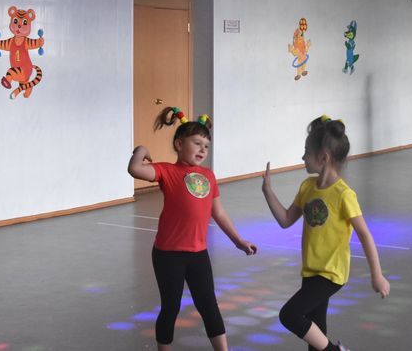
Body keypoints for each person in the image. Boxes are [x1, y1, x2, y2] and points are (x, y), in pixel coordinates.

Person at [127, 106, 258, 351]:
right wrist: (141, 150)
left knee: (209, 305)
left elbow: (218, 212)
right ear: (179, 144)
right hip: (168, 254)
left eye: (206, 146)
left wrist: (238, 240)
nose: (202, 149)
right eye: (197, 143)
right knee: (171, 307)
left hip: (198, 254)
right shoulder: (167, 171)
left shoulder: (208, 175)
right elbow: (135, 169)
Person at [261, 115, 390, 351]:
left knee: (290, 315)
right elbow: (286, 219)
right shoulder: (307, 187)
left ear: (323, 158)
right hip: (311, 269)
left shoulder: (344, 194)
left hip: (331, 273)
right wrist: (268, 192)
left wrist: (377, 275)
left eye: (306, 153)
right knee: (316, 333)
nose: (302, 158)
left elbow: (364, 235)